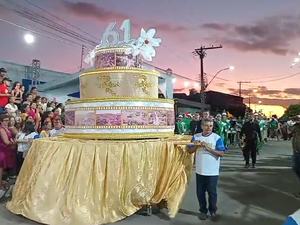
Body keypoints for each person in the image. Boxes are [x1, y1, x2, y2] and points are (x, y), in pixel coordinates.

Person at [187, 118, 226, 220]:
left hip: (212, 171)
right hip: (200, 170)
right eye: (206, 125)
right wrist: (196, 145)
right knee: (200, 193)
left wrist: (208, 148)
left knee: (212, 192)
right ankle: (203, 211)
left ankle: (213, 210)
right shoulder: (196, 137)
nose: (208, 128)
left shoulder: (217, 138)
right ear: (202, 126)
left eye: (210, 126)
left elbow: (221, 153)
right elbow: (189, 150)